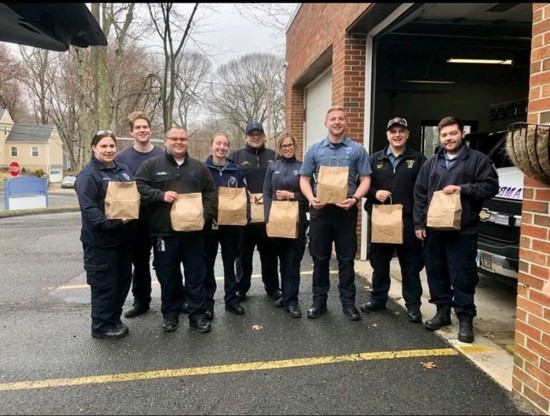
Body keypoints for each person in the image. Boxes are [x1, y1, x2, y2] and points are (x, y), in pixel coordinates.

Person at [413, 116, 499, 343]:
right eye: (444, 135)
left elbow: (491, 187)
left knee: (462, 274)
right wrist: (419, 224)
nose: (448, 138)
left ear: (462, 134)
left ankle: (465, 318)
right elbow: (420, 194)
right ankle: (442, 312)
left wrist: (463, 189)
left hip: (464, 230)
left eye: (453, 133)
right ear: (440, 137)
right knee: (436, 270)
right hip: (434, 229)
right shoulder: (431, 163)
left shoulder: (478, 161)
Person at [135, 126, 217, 334]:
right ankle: (170, 315)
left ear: (188, 142)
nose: (179, 142)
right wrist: (160, 195)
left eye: (183, 139)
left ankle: (197, 316)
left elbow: (211, 194)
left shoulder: (199, 168)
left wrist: (204, 216)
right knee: (168, 275)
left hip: (194, 233)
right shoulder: (152, 166)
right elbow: (138, 188)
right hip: (164, 233)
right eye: (174, 139)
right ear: (166, 141)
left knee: (196, 275)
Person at [299, 105, 372, 321]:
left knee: (346, 259)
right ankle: (318, 302)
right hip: (320, 212)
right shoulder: (314, 150)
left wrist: (355, 199)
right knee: (320, 258)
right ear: (326, 123)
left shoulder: (357, 150)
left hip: (346, 212)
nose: (337, 122)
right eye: (333, 119)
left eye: (341, 118)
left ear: (346, 122)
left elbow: (365, 179)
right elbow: (304, 178)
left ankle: (348, 303)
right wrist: (311, 199)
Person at [361, 117, 427, 323]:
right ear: (387, 135)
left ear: (407, 134)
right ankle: (378, 299)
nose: (397, 135)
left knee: (410, 266)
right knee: (379, 264)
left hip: (408, 222)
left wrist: (420, 222)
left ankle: (413, 306)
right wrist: (374, 193)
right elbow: (361, 185)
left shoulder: (418, 160)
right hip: (382, 221)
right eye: (393, 131)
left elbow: (424, 192)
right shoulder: (374, 160)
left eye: (401, 131)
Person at [75, 130, 138, 339]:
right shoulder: (88, 175)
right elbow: (89, 209)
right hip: (101, 242)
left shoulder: (123, 170)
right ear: (94, 148)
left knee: (121, 282)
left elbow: (132, 196)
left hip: (123, 240)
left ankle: (113, 319)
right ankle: (101, 326)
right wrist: (111, 223)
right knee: (104, 285)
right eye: (104, 146)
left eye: (112, 146)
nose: (109, 150)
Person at [115, 112, 165, 319]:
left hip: (160, 217)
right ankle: (141, 301)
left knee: (165, 262)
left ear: (150, 130)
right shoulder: (122, 158)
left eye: (145, 127)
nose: (142, 130)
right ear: (131, 132)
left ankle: (173, 301)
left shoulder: (162, 155)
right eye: (138, 128)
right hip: (134, 219)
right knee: (140, 262)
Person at [228, 122, 281, 301]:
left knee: (270, 254)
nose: (256, 137)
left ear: (264, 136)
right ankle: (241, 288)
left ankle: (273, 287)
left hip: (268, 214)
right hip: (244, 215)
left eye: (259, 134)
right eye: (252, 134)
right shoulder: (235, 156)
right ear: (246, 137)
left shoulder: (274, 156)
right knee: (243, 255)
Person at [203, 132, 249, 318]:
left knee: (230, 263)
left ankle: (231, 300)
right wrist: (209, 215)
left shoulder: (236, 169)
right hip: (210, 224)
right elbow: (199, 195)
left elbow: (244, 195)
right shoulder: (202, 168)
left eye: (225, 144)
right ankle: (208, 303)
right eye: (218, 143)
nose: (221, 147)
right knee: (208, 264)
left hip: (232, 225)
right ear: (211, 146)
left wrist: (246, 216)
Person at [263, 132, 308, 318]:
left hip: (297, 222)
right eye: (284, 146)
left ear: (295, 147)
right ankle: (285, 295)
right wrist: (268, 221)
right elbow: (266, 194)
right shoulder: (273, 167)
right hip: (278, 222)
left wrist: (292, 196)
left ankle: (292, 301)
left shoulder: (303, 167)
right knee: (282, 261)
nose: (287, 148)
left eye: (290, 145)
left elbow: (310, 196)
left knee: (293, 262)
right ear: (280, 148)